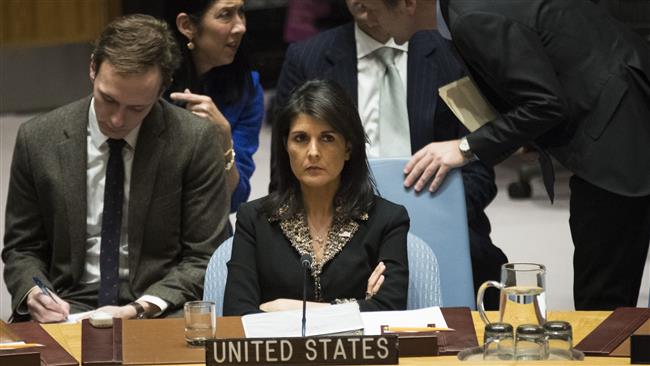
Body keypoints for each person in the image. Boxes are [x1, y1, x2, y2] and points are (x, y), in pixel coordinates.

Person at [359, 0, 650, 309]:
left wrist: (465, 147)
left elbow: (545, 104)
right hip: (617, 93)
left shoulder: (472, 19)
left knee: (603, 302)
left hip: (618, 120)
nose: (369, 23)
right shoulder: (460, 12)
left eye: (373, 11)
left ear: (407, 5)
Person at [272, 0, 507, 309]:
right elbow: (285, 174)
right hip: (337, 226)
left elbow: (479, 165)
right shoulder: (307, 58)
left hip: (435, 216)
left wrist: (438, 217)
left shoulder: (450, 53)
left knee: (486, 273)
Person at [2, 14, 230, 322]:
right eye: (108, 100)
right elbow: (22, 248)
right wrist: (34, 292)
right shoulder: (38, 139)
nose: (118, 120)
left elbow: (205, 255)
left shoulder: (194, 141)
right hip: (67, 304)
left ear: (162, 89)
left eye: (137, 108)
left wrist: (141, 307)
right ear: (93, 67)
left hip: (157, 305)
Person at [223, 80, 409, 315]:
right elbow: (236, 313)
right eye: (300, 138)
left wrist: (288, 308)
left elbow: (390, 310)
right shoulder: (254, 220)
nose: (313, 152)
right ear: (286, 146)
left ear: (348, 148)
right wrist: (360, 306)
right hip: (279, 352)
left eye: (327, 138)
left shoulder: (387, 220)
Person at [165, 0, 264, 212]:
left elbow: (235, 200)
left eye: (241, 12)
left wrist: (224, 139)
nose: (241, 27)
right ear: (187, 26)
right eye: (226, 15)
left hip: (208, 223)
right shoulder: (154, 82)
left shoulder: (248, 87)